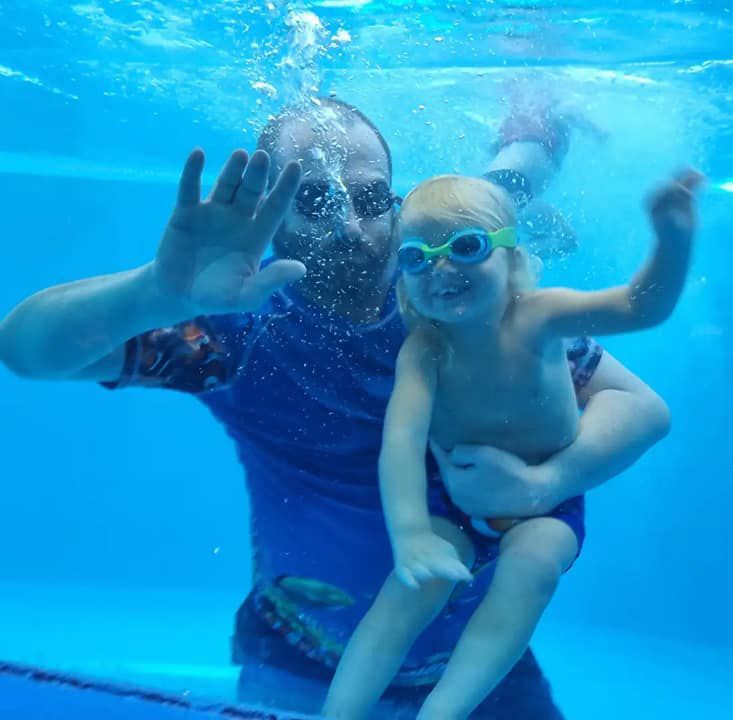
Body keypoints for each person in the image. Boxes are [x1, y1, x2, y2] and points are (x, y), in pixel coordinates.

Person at [0, 99, 671, 718]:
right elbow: (28, 352)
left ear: (397, 204)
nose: (348, 223)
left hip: (482, 669)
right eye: (314, 198)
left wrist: (545, 483)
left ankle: (532, 121)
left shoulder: (460, 303)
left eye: (371, 198)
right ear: (273, 210)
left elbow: (633, 403)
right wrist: (156, 294)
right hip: (303, 667)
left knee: (503, 185)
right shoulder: (241, 329)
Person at [321, 171, 699, 719]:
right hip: (454, 502)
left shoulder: (541, 316)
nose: (442, 268)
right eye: (417, 256)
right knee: (411, 588)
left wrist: (672, 243)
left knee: (533, 568)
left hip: (548, 505)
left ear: (512, 255)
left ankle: (443, 712)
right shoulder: (424, 349)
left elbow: (640, 308)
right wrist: (409, 537)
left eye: (466, 247)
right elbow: (400, 443)